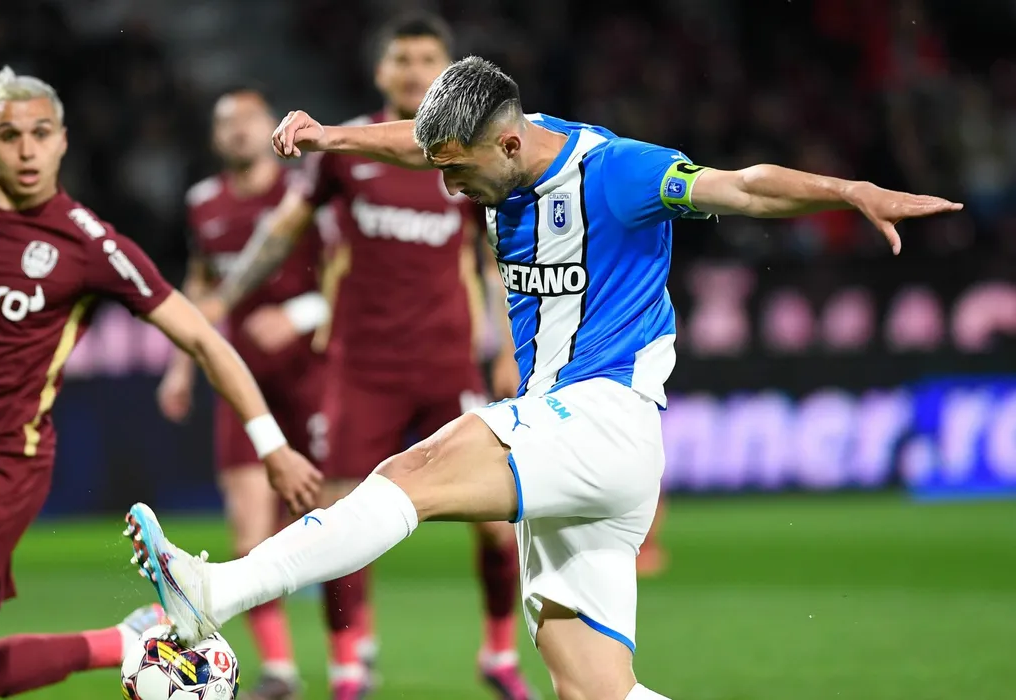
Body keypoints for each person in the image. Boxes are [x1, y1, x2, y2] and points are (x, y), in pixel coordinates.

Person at [126, 56, 964, 700]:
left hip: (601, 419)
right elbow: (415, 143)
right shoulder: (505, 144)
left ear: (507, 144)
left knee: (414, 470)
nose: (449, 188)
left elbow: (742, 187)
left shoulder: (620, 172)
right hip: (574, 449)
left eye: (457, 170)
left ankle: (217, 591)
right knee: (591, 689)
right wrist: (329, 138)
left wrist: (847, 191)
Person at [0, 66, 320, 700]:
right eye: (10, 135)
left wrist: (272, 446)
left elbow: (204, 339)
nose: (27, 149)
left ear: (63, 141)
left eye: (40, 133)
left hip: (4, 462)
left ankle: (142, 642)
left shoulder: (88, 244)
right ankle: (125, 640)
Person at [190, 15, 532, 700]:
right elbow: (282, 231)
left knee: (499, 524)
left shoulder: (465, 152)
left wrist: (508, 349)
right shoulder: (345, 148)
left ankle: (499, 655)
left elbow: (492, 260)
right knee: (340, 522)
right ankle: (348, 670)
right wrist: (223, 298)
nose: (412, 70)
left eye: (426, 58)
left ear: (446, 71)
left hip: (446, 366)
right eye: (400, 58)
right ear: (380, 71)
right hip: (361, 369)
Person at [158, 85, 329, 700]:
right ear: (215, 136)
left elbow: (351, 276)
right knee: (247, 532)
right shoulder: (202, 202)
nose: (238, 130)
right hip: (240, 380)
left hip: (313, 376)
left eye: (249, 120)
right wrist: (181, 368)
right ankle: (280, 670)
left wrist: (301, 313)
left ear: (269, 126)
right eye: (226, 122)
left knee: (332, 525)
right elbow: (200, 285)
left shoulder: (307, 191)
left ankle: (352, 662)